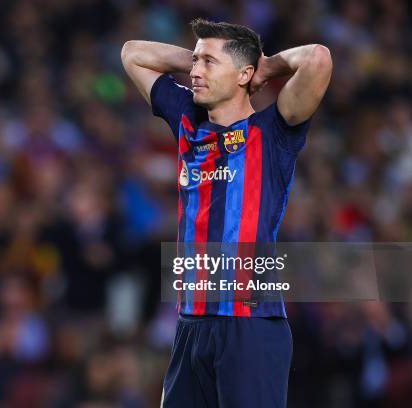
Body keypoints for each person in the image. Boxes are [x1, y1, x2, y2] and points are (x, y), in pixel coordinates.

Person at [121, 19, 332, 407]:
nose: (196, 72)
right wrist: (202, 59)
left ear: (244, 74)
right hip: (191, 323)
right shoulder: (187, 117)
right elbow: (132, 53)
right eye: (195, 62)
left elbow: (318, 58)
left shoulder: (273, 130)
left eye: (208, 63)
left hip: (249, 324)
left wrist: (266, 66)